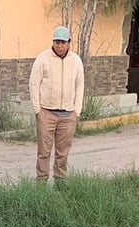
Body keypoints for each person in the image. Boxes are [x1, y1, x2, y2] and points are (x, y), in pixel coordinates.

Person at [29, 25, 85, 184]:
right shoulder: (43, 58)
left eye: (63, 42)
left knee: (62, 152)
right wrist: (37, 110)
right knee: (44, 152)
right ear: (53, 42)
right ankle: (41, 182)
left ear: (69, 42)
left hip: (68, 114)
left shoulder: (76, 61)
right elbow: (34, 84)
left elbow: (79, 85)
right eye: (57, 42)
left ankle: (60, 182)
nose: (59, 45)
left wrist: (77, 111)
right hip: (47, 112)